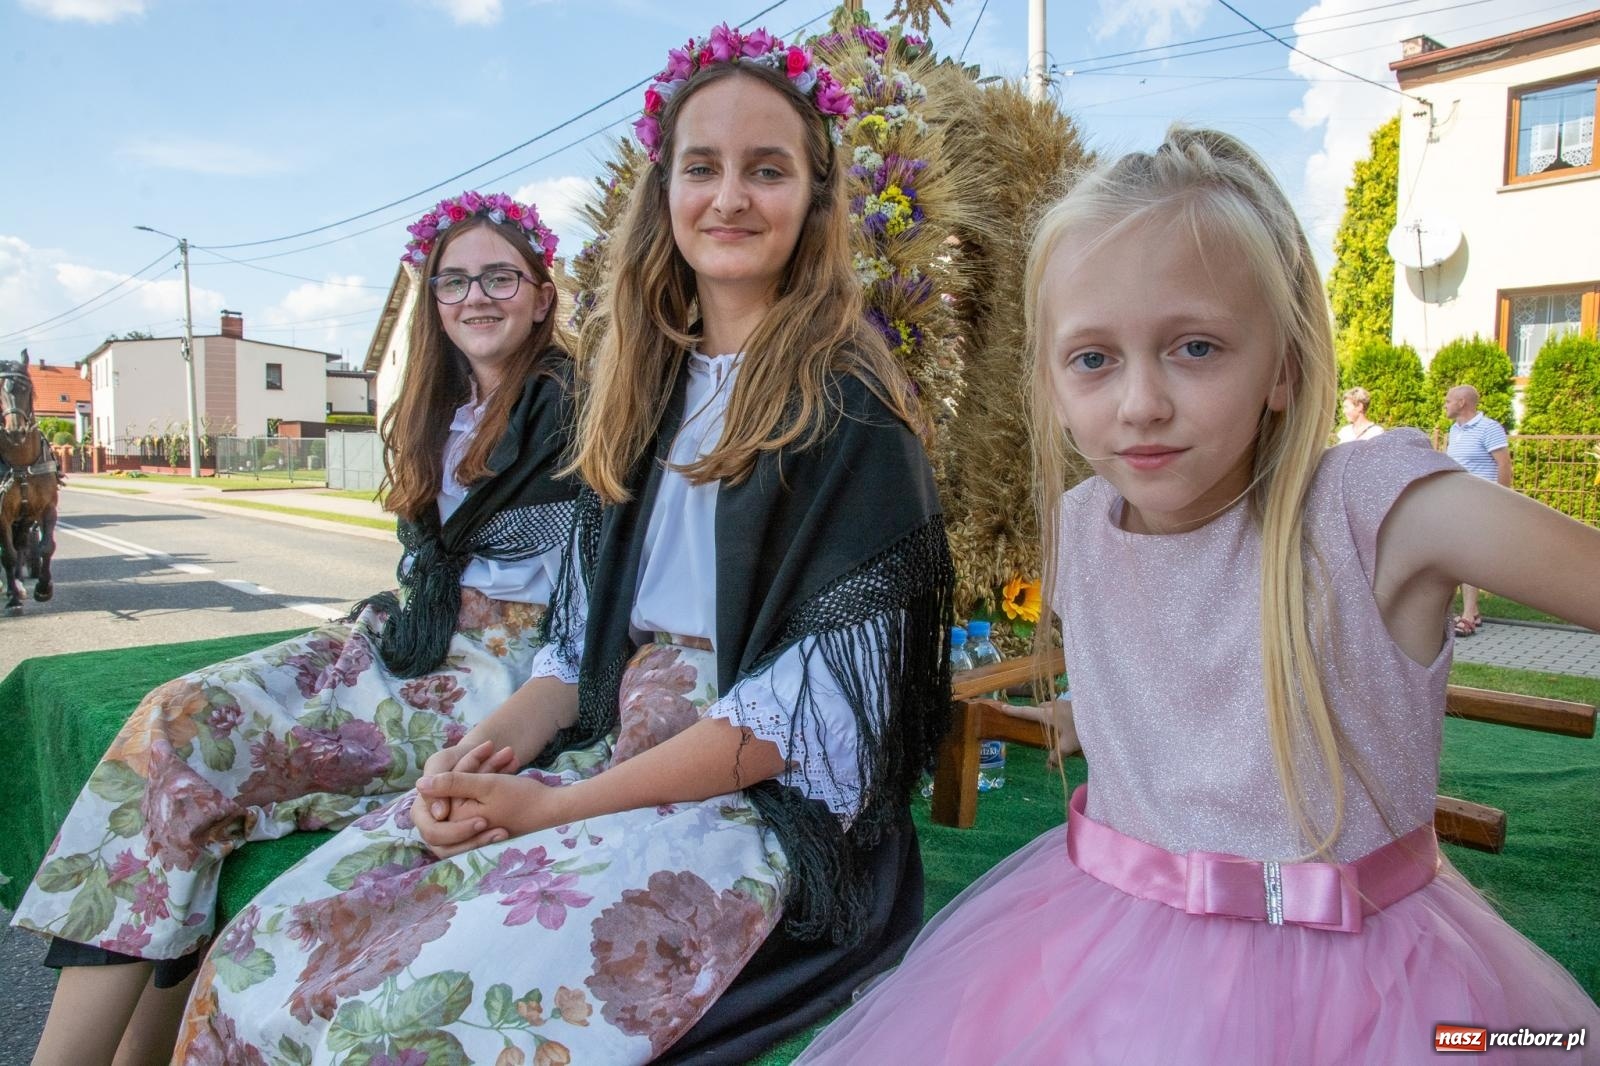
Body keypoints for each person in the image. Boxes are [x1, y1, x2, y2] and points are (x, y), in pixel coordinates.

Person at [171, 23, 951, 1065]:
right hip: (612, 744)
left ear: (814, 197)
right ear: (662, 190)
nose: (729, 197)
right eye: (701, 167)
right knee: (274, 948)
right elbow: (573, 650)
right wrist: (478, 758)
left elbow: (799, 720)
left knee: (409, 1024)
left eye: (768, 169)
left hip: (745, 800)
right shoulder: (639, 399)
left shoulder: (848, 411)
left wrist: (558, 805)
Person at [797, 127, 1600, 1065]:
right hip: (1095, 967)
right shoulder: (1083, 521)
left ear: (1284, 365)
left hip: (1380, 998)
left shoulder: (1374, 512)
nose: (1140, 402)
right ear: (1051, 385)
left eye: (1195, 346)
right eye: (1093, 358)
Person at [16, 191, 581, 1065]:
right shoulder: (441, 406)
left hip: (501, 677)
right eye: (454, 280)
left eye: (501, 276)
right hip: (413, 645)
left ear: (542, 293)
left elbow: (587, 597)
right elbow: (430, 568)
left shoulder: (576, 410)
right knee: (177, 721)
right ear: (432, 302)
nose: (477, 297)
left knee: (197, 757)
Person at [1444, 383, 1512, 637]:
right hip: (1458, 502)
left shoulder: (1489, 428)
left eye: (1448, 401)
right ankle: (1472, 611)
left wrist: (1502, 498)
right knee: (1458, 556)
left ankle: (1469, 614)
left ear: (1462, 403)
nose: (1445, 405)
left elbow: (1504, 464)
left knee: (1467, 557)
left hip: (1481, 501)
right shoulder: (1455, 429)